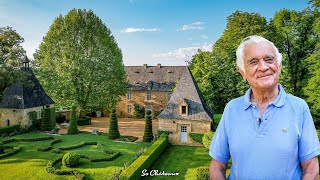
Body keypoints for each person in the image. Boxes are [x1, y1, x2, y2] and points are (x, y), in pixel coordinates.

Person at [209, 35, 320, 179]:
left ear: (278, 67)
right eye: (253, 62)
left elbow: (311, 168)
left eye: (269, 59)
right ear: (243, 73)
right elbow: (217, 167)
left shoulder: (299, 108)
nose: (263, 67)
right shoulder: (231, 109)